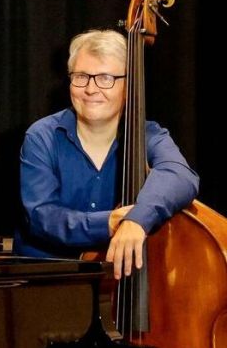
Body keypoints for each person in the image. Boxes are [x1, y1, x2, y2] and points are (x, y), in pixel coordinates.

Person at [13, 29, 199, 279]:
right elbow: (41, 216)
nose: (91, 89)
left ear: (128, 85)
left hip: (118, 280)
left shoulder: (150, 135)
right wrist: (109, 222)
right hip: (48, 282)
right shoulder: (41, 137)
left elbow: (180, 176)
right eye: (81, 77)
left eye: (105, 78)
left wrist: (137, 219)